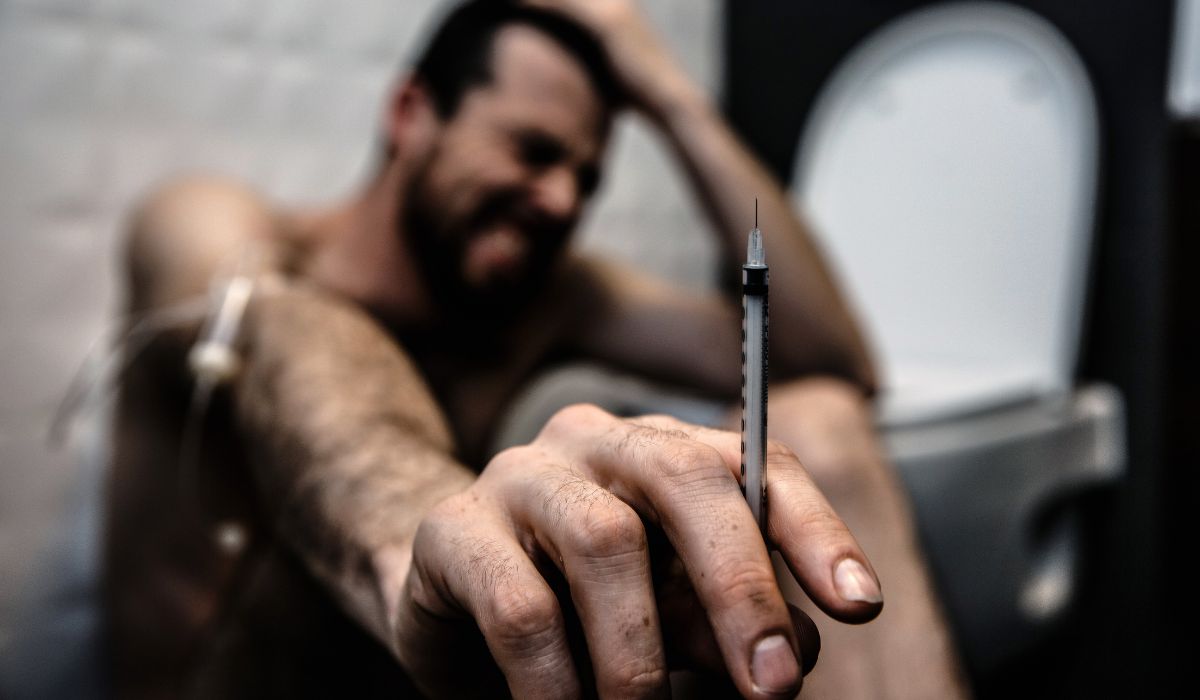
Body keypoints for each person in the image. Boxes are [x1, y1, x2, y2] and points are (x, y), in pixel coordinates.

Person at [103, 0, 967, 697]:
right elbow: (289, 341)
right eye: (533, 151)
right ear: (412, 114)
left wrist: (674, 99)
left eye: (586, 179)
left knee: (813, 423)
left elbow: (825, 361)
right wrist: (432, 543)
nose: (560, 200)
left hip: (436, 678)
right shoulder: (222, 232)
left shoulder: (544, 303)